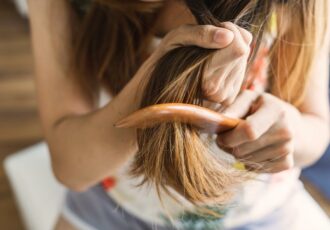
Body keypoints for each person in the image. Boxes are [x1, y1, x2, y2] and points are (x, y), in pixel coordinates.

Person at [27, 0, 330, 229]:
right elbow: (71, 169)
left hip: (259, 215)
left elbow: (315, 129)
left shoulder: (299, 5)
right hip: (110, 212)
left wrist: (290, 131)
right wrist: (155, 82)